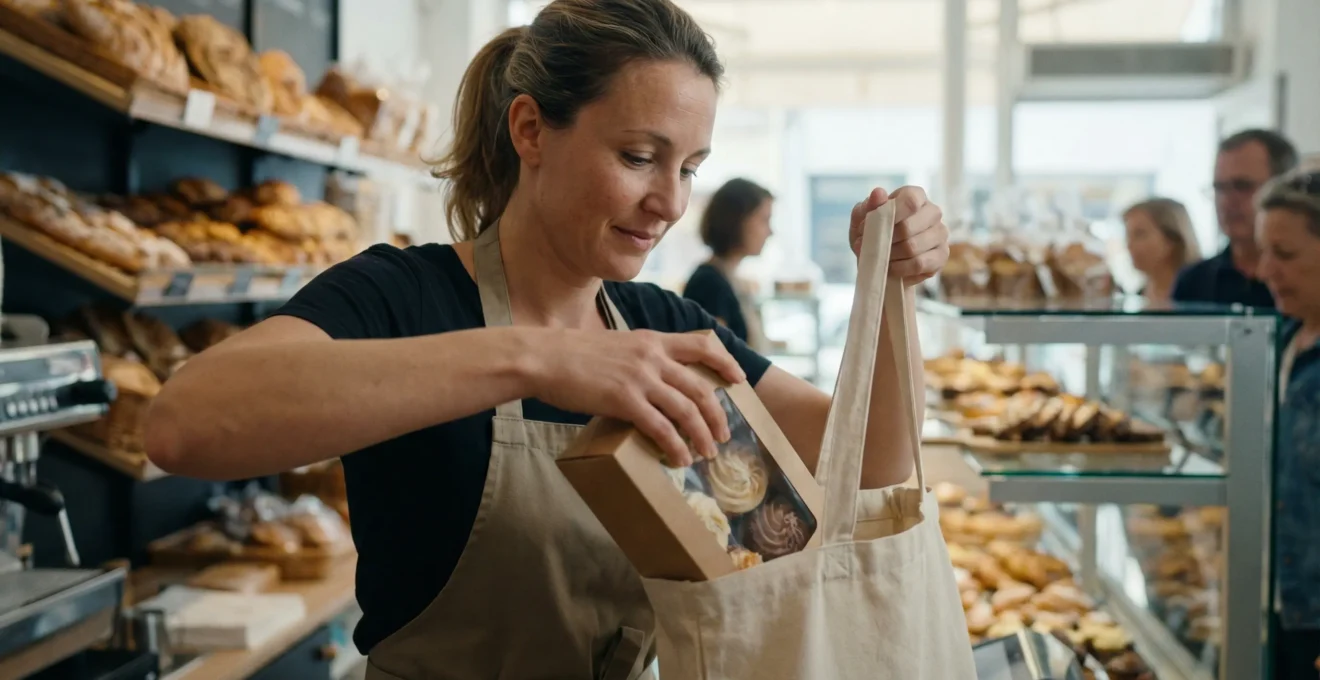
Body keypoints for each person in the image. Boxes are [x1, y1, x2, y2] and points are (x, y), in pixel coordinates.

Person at [142, 0, 951, 677]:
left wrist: (891, 287)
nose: (669, 201)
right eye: (640, 156)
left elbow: (869, 463)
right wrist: (539, 356)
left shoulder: (665, 328)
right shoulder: (404, 293)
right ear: (530, 130)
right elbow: (183, 424)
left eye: (691, 168)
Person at [1255, 167, 1320, 680]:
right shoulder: (1280, 345)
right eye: (1263, 252)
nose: (1265, 270)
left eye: (1286, 254)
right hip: (1277, 609)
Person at [1172, 128, 1298, 308]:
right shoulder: (1193, 282)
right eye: (1219, 188)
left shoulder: (1304, 282)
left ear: (1283, 188)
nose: (1226, 201)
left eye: (1242, 186)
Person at [682, 177, 773, 350]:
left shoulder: (731, 279)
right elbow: (714, 356)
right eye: (764, 220)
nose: (770, 232)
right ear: (738, 221)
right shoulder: (709, 283)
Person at [1122, 197, 1202, 304]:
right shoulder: (1137, 298)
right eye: (1128, 235)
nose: (1129, 245)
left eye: (1139, 234)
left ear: (1172, 239)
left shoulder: (1203, 293)